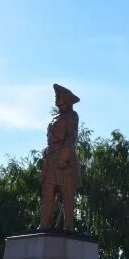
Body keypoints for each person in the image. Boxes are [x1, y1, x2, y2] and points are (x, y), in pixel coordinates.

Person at [40, 84, 81, 231]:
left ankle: (69, 227)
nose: (56, 98)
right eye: (56, 96)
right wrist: (47, 151)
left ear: (67, 99)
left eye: (59, 96)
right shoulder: (55, 117)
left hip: (65, 163)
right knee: (47, 194)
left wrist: (63, 158)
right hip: (51, 160)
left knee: (67, 195)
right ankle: (44, 225)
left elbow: (71, 138)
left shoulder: (72, 116)